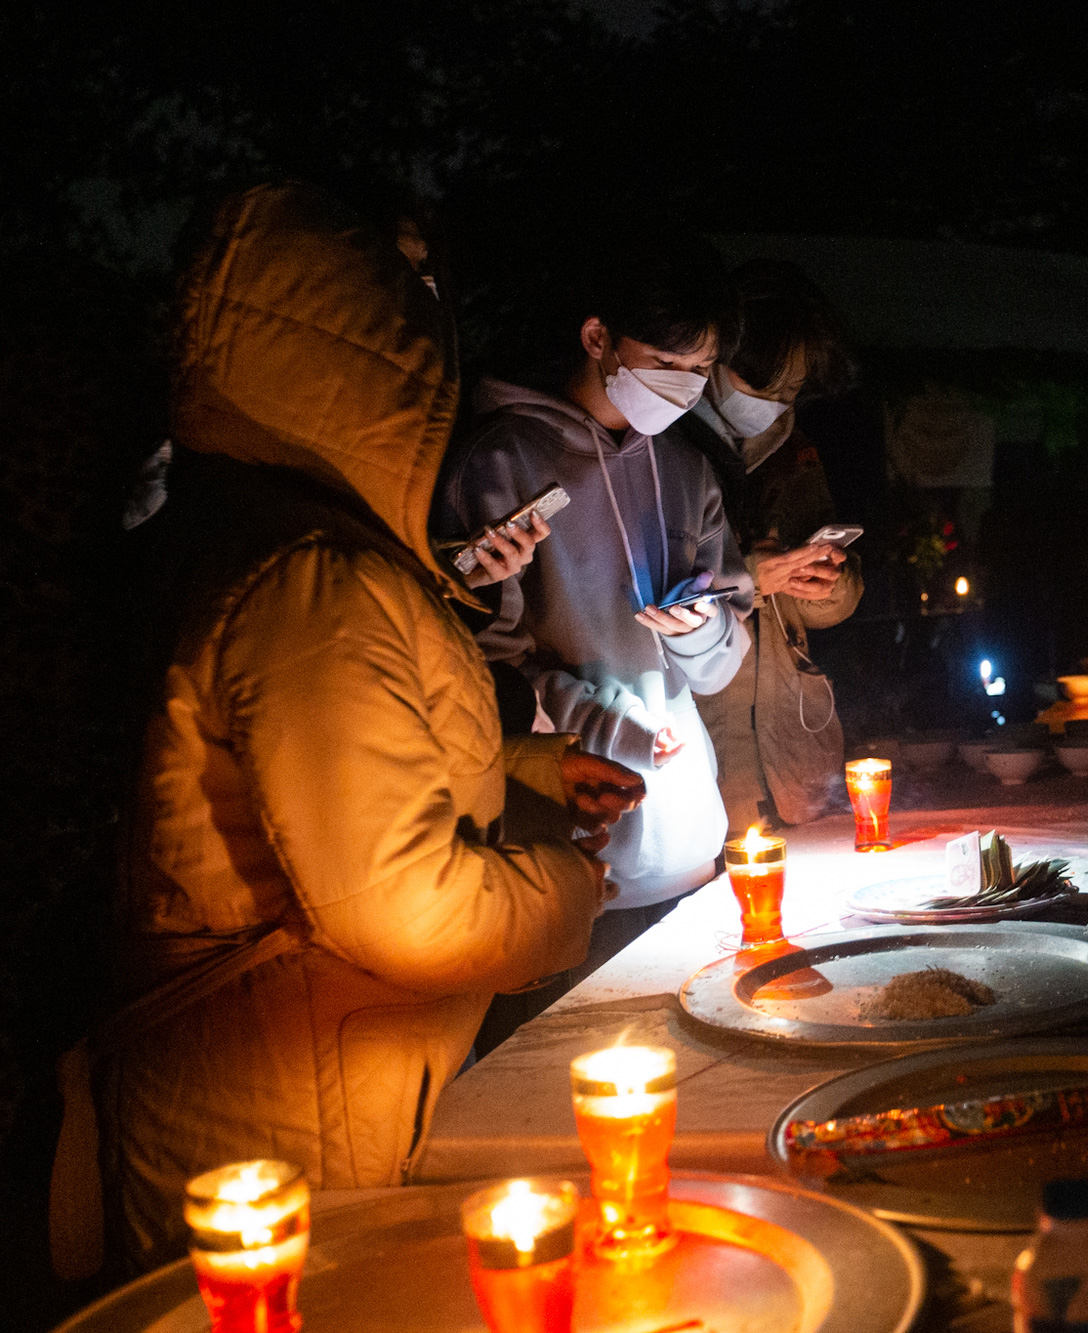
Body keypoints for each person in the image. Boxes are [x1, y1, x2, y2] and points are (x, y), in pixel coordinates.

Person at [97, 184, 643, 1274]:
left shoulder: (285, 543)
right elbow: (408, 912)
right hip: (289, 1133)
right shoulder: (310, 577)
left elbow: (330, 762)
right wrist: (572, 891)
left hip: (301, 1098)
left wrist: (528, 765)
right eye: (416, 313)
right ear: (366, 356)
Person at [432, 231, 753, 1011]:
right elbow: (488, 670)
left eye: (700, 370)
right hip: (579, 845)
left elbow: (720, 664)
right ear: (598, 338)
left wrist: (700, 628)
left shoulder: (685, 469)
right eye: (667, 363)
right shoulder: (503, 462)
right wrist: (608, 726)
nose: (684, 388)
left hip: (692, 842)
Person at [675, 260, 860, 833]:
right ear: (714, 358)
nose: (777, 403)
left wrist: (827, 583)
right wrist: (747, 578)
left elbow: (836, 606)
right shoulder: (662, 448)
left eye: (793, 389)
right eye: (764, 385)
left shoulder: (791, 450)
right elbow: (644, 604)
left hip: (791, 745)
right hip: (704, 747)